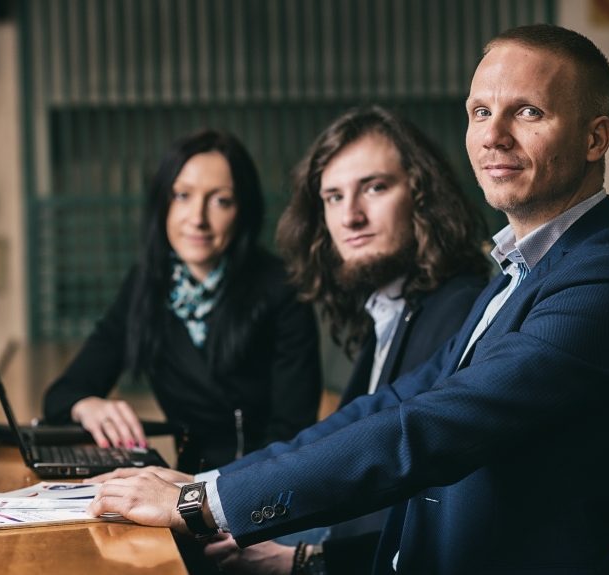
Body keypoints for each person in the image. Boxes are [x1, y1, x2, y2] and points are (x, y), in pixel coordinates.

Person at [87, 24, 609, 575]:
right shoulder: (520, 271)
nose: (493, 135)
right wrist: (209, 485)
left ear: (596, 136)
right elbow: (391, 406)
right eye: (479, 112)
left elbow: (428, 429)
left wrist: (201, 505)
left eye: (527, 111)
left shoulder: (603, 284)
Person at [201, 106, 490, 574]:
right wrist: (203, 489)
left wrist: (303, 561)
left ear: (422, 196)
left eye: (375, 188)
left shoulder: (458, 310)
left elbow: (428, 508)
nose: (350, 217)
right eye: (333, 198)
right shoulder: (390, 307)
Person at [43, 129, 322, 473]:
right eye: (182, 196)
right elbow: (61, 395)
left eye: (221, 200)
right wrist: (87, 406)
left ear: (243, 211)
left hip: (261, 492)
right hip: (183, 487)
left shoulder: (282, 289)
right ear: (162, 203)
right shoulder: (146, 285)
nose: (198, 218)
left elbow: (292, 435)